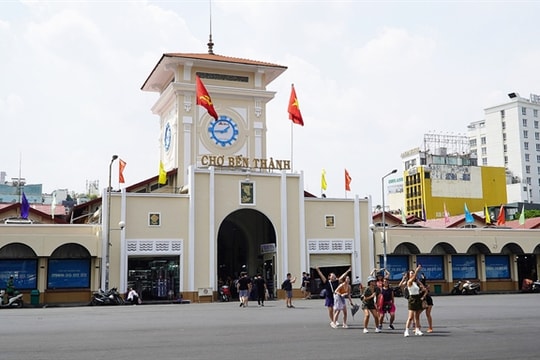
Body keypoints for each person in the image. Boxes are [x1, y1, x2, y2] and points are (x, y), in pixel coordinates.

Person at [404, 265, 425, 337]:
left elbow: (423, 289)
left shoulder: (416, 283)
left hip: (417, 298)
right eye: (411, 273)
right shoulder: (409, 282)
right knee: (410, 317)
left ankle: (417, 330)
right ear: (409, 275)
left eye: (413, 273)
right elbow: (412, 279)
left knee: (417, 316)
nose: (412, 274)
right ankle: (406, 330)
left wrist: (422, 289)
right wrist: (416, 270)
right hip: (412, 299)